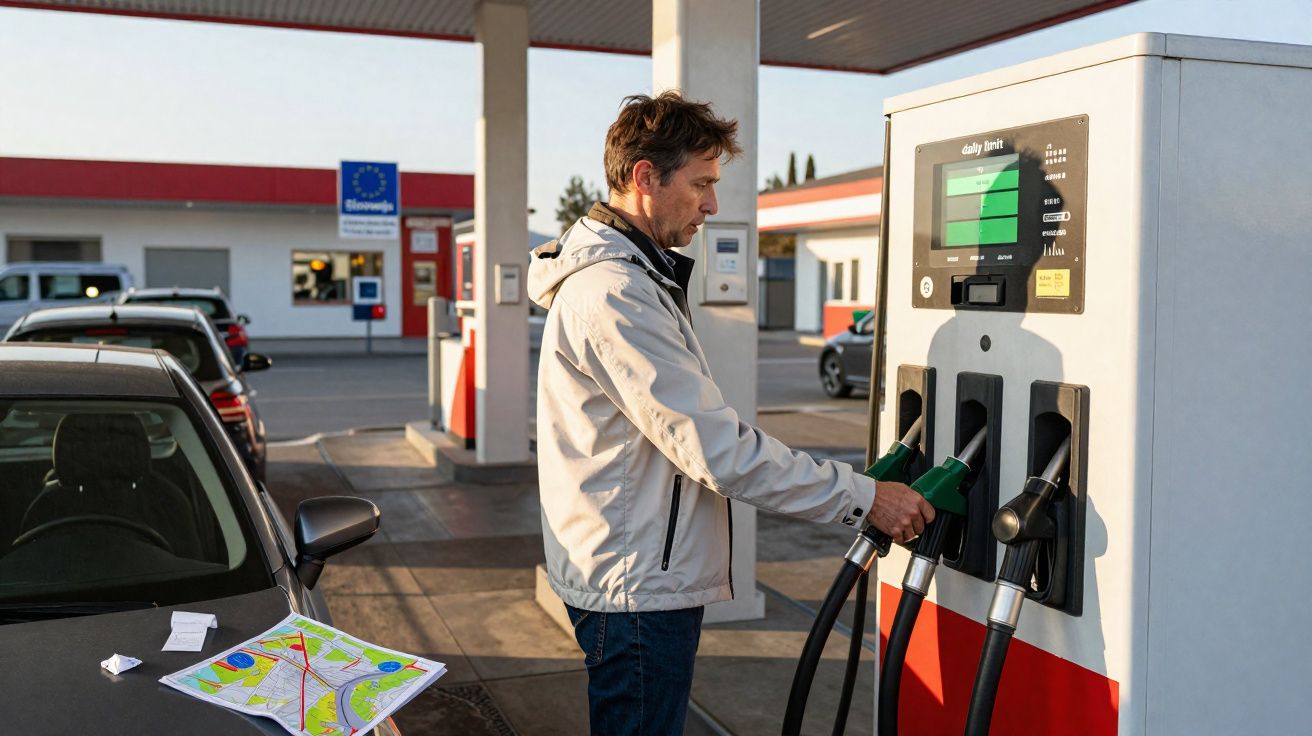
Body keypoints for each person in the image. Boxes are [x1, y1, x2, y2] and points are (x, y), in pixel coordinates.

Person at [527, 91, 934, 736]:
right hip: (635, 588)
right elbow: (717, 450)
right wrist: (864, 498)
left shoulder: (632, 277)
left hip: (633, 572)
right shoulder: (614, 293)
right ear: (644, 178)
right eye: (702, 184)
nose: (712, 205)